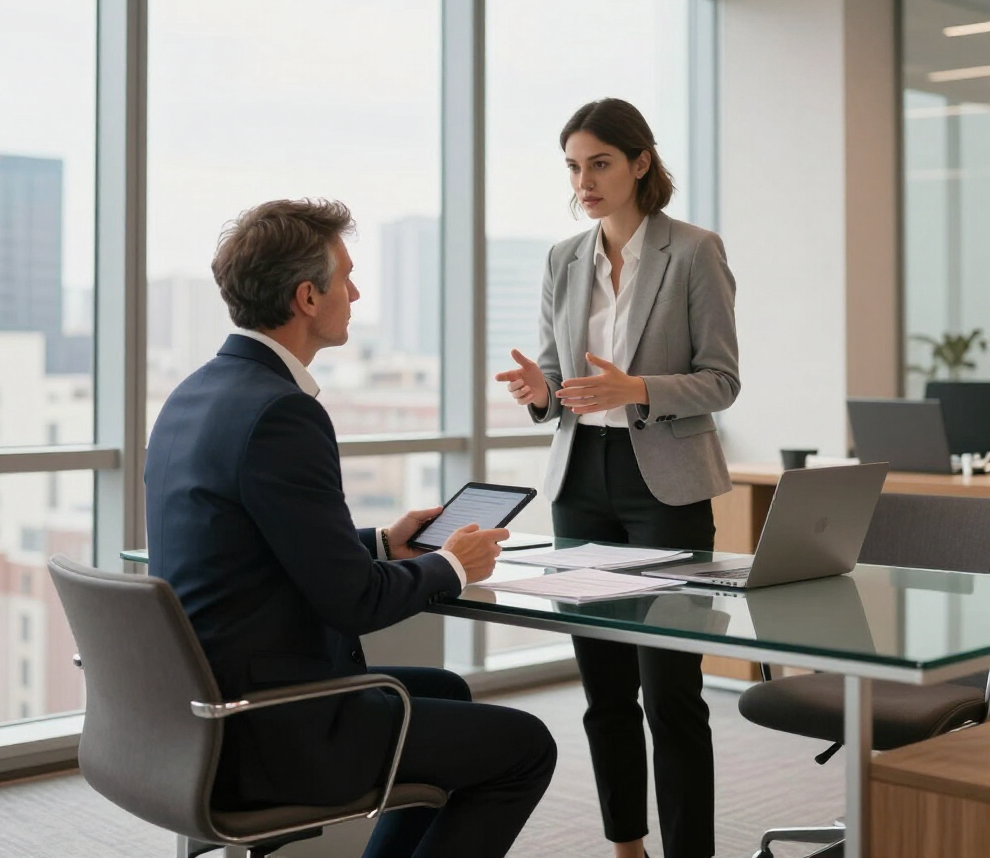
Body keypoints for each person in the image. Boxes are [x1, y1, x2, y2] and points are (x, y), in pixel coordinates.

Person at [145, 198, 556, 858]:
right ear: (308, 296)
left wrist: (381, 545)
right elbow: (353, 603)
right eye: (347, 277)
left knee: (446, 691)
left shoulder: (195, 394)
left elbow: (261, 547)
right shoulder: (282, 413)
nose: (357, 293)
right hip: (271, 728)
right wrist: (451, 564)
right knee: (524, 748)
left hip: (199, 712)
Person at [495, 99, 739, 858]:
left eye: (599, 162)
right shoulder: (563, 258)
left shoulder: (694, 251)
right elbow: (564, 376)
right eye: (573, 166)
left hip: (664, 485)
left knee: (671, 691)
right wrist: (543, 392)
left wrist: (635, 388)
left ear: (639, 162)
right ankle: (625, 844)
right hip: (582, 482)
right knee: (604, 689)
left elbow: (722, 381)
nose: (584, 180)